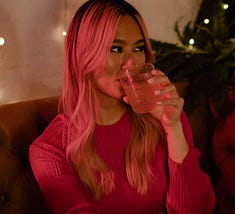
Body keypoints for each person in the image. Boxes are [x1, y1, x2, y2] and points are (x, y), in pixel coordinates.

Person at [29, 0, 216, 213]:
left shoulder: (163, 118)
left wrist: (174, 128)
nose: (131, 63)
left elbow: (195, 209)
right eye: (116, 48)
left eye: (138, 48)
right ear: (83, 55)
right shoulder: (50, 150)